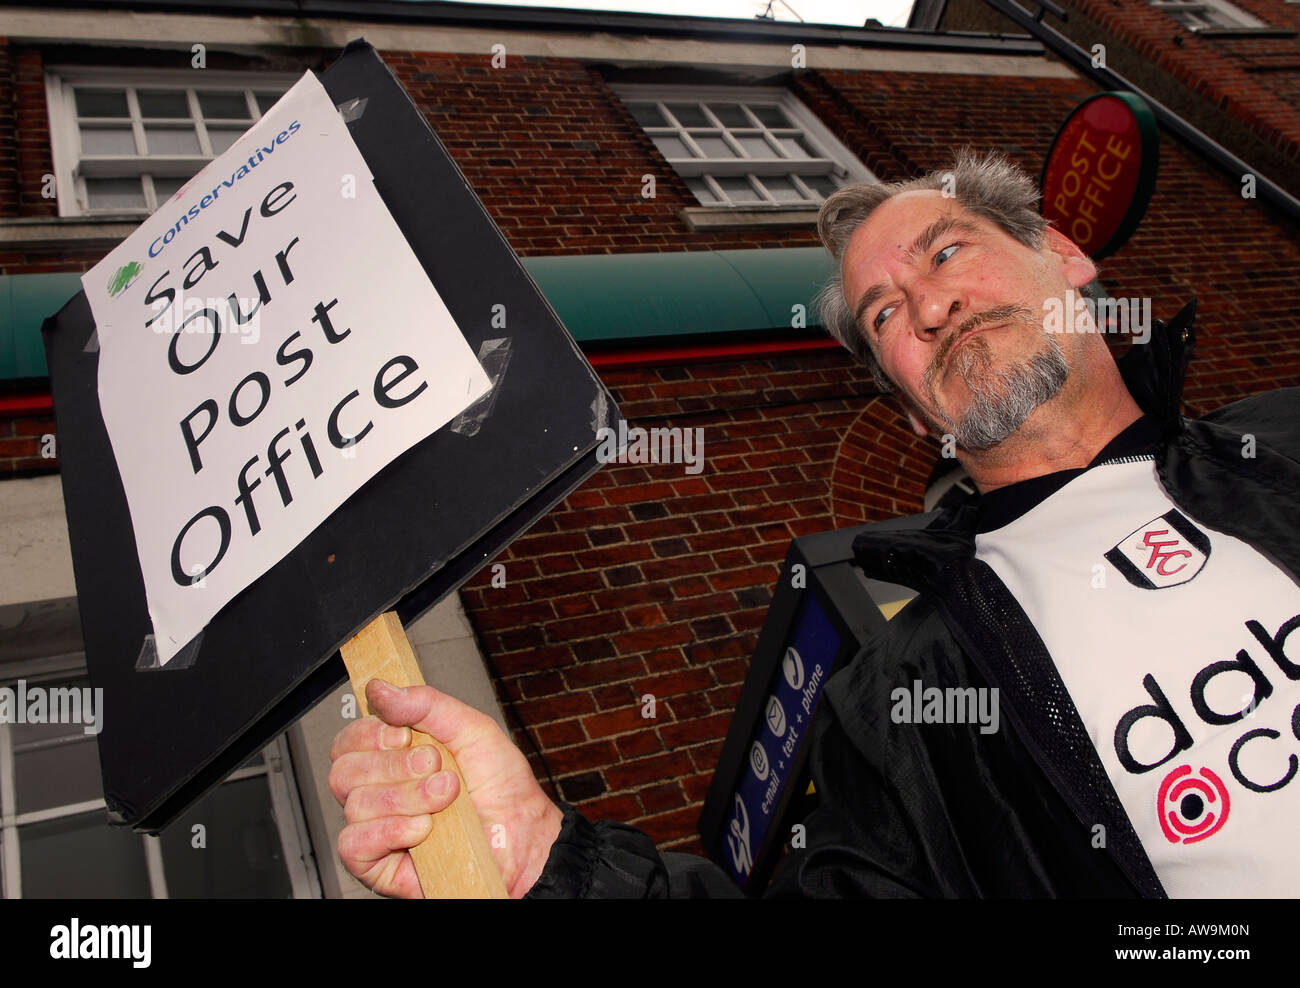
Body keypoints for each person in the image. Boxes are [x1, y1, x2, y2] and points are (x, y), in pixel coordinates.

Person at [329, 148, 1300, 898]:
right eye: (882, 315)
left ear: (1062, 253)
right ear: (916, 413)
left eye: (948, 250)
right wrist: (551, 862)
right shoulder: (904, 700)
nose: (925, 304)